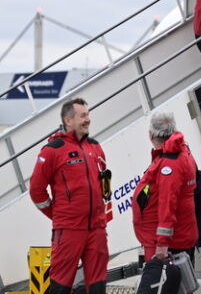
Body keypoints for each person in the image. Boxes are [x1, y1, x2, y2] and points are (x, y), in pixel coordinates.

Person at [29, 98, 109, 294]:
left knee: (98, 287)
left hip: (97, 229)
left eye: (88, 114)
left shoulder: (95, 147)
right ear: (68, 120)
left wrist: (102, 211)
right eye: (83, 116)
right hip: (68, 230)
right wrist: (57, 214)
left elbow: (104, 182)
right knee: (60, 287)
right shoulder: (52, 150)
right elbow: (36, 191)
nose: (88, 119)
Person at [131, 113, 198, 265]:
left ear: (151, 135)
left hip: (171, 244)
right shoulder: (181, 153)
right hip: (178, 238)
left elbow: (168, 204)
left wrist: (162, 243)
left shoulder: (169, 163)